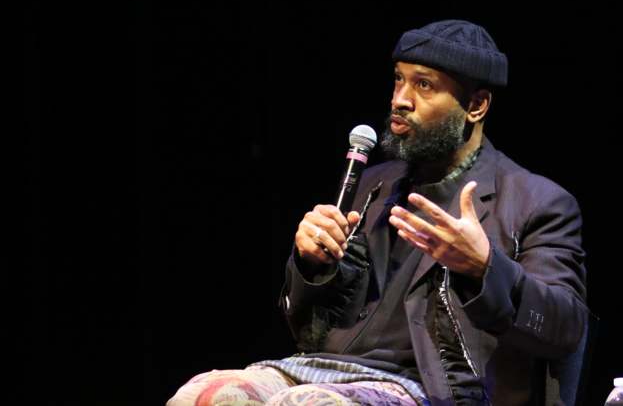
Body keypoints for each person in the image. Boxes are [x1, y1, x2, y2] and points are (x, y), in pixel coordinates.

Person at [167, 20, 588, 406]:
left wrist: (484, 269)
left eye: (423, 85)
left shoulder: (537, 201)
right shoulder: (374, 183)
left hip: (431, 388)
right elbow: (307, 326)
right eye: (398, 80)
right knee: (204, 395)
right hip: (327, 369)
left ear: (476, 106)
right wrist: (312, 265)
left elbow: (565, 329)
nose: (400, 100)